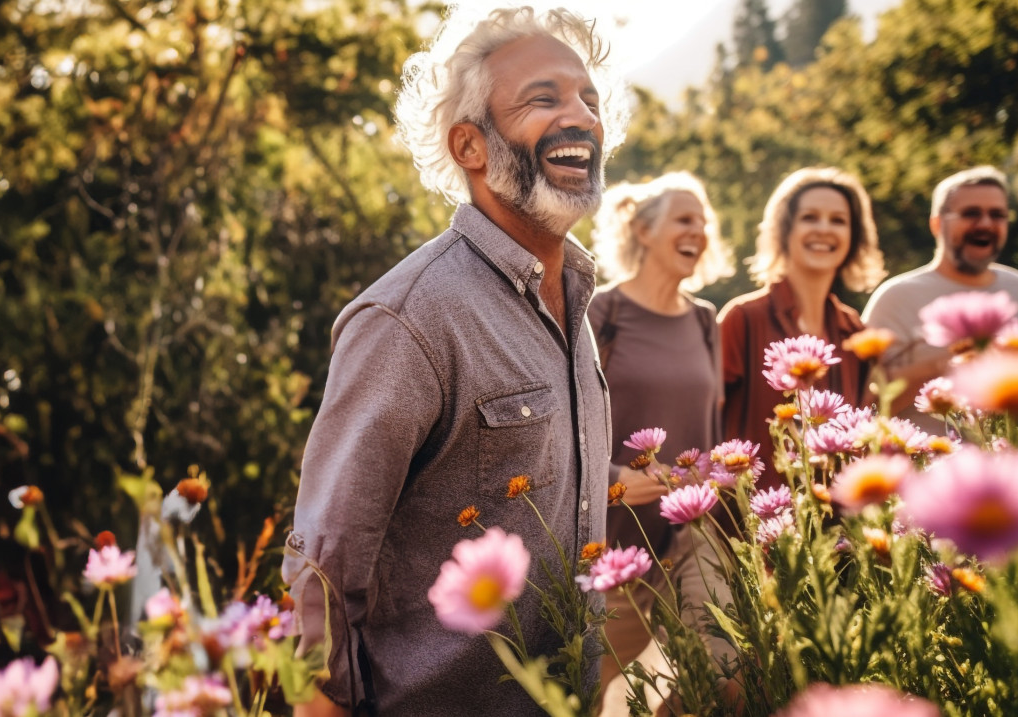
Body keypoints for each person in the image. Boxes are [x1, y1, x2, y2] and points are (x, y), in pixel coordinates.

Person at [280, 6, 630, 715]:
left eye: (588, 99)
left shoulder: (576, 298)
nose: (582, 118)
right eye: (543, 99)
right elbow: (324, 566)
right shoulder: (408, 319)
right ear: (470, 146)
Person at [587, 172, 737, 716]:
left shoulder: (704, 320)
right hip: (610, 541)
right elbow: (565, 423)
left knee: (723, 673)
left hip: (691, 537)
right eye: (683, 218)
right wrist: (611, 481)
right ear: (644, 231)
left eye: (703, 221)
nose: (697, 229)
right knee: (585, 690)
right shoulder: (602, 313)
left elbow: (710, 428)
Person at [719, 167, 887, 488]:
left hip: (837, 527)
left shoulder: (855, 330)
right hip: (752, 526)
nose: (824, 229)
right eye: (810, 217)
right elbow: (705, 421)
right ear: (785, 230)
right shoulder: (743, 318)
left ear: (854, 237)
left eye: (838, 220)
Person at [862, 166, 1018, 432]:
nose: (986, 223)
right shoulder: (895, 297)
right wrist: (945, 362)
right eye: (971, 213)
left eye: (997, 214)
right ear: (937, 223)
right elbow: (863, 407)